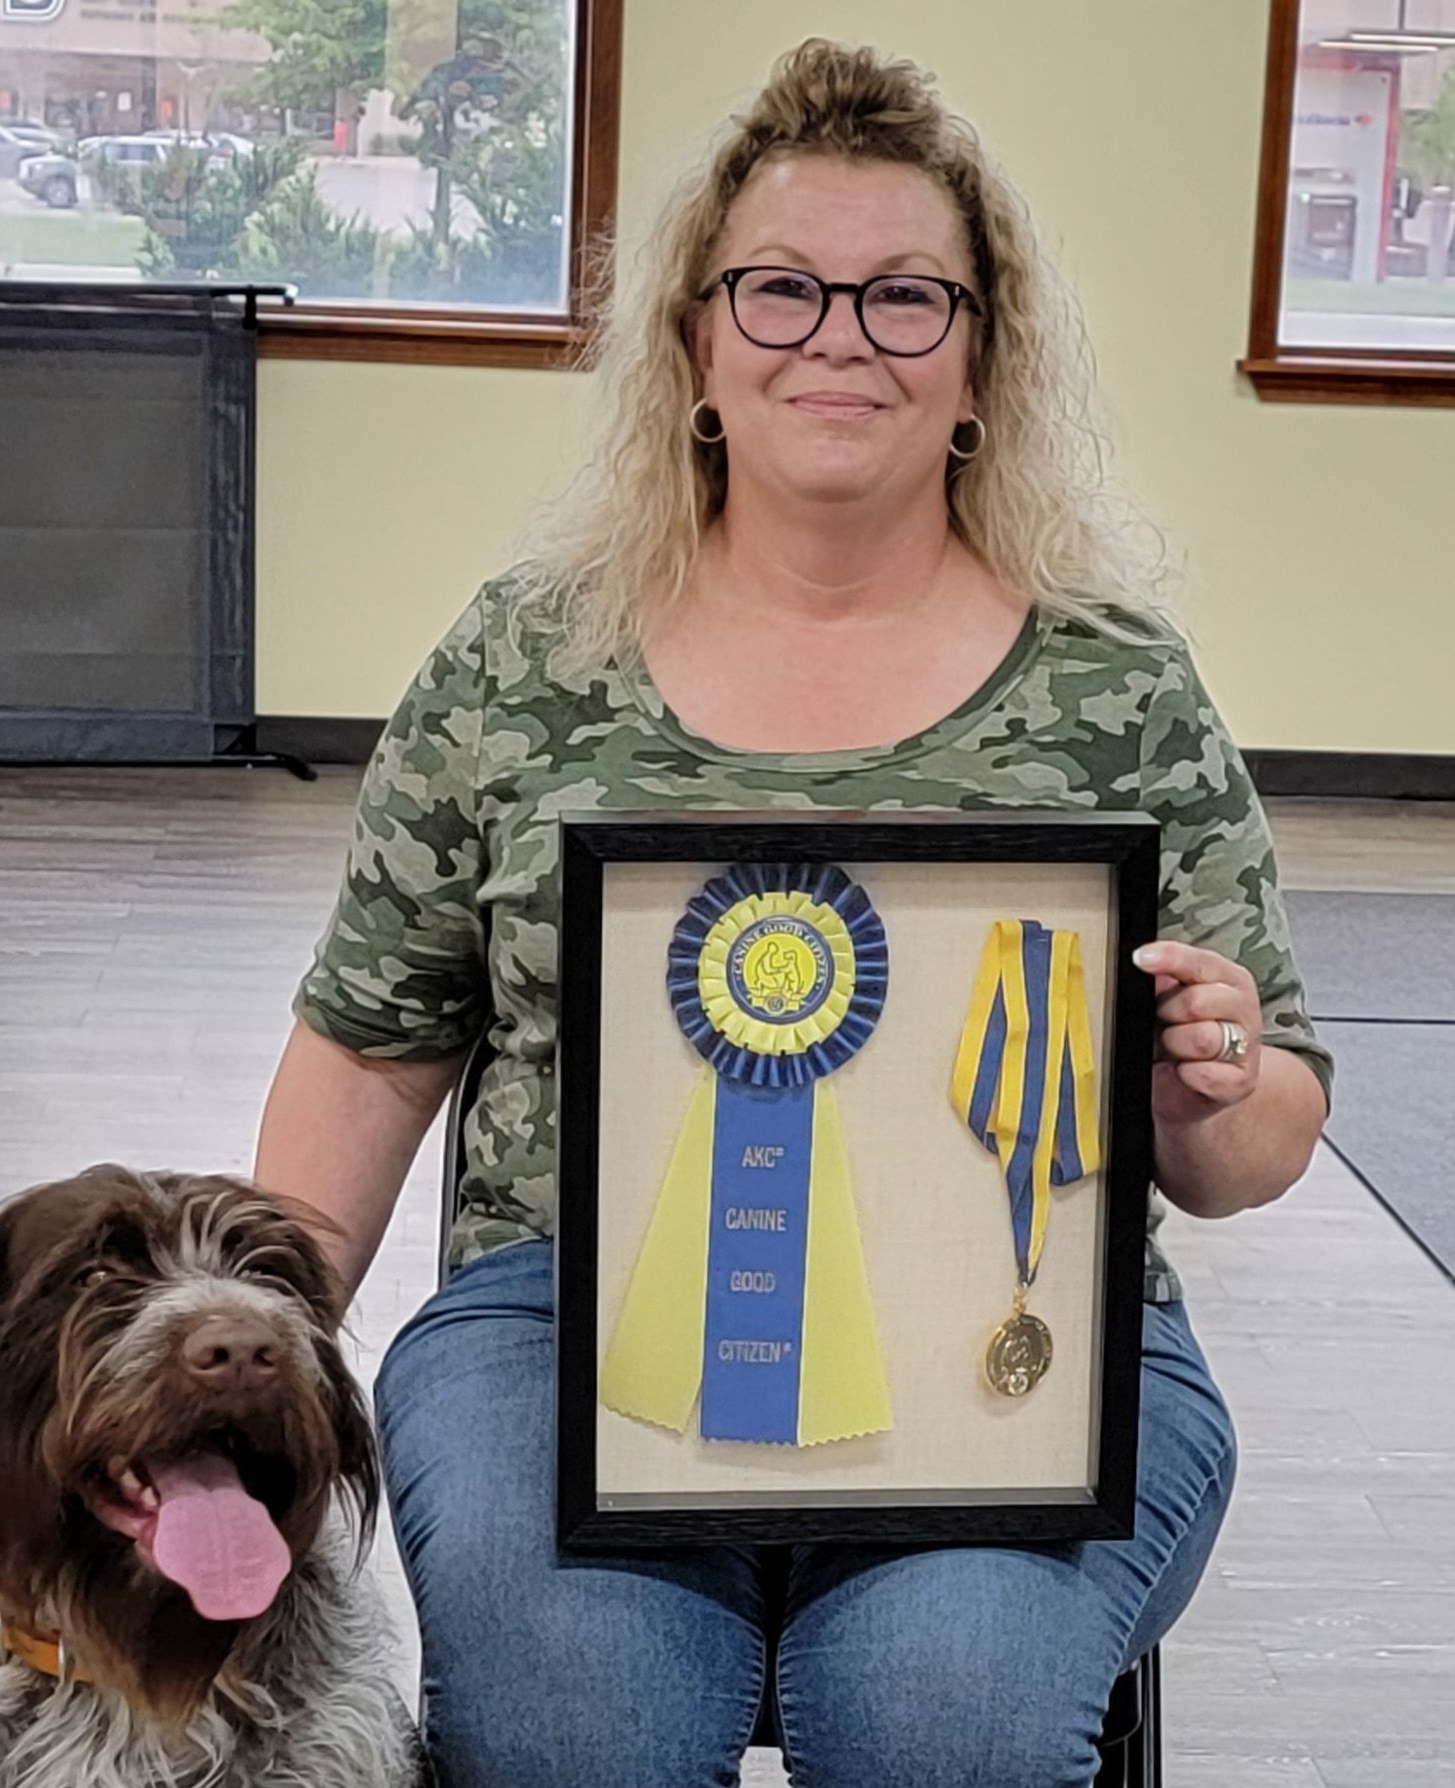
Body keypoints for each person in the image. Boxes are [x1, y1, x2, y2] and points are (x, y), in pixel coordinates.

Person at [255, 39, 1332, 1788]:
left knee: (947, 1720)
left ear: (984, 355)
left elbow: (1253, 1142)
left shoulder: (1119, 681)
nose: (839, 336)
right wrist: (235, 1377)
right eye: (780, 290)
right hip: (560, 1327)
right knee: (571, 1719)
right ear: (694, 340)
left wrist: (1217, 1075)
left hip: (1027, 1343)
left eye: (909, 297)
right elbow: (370, 1049)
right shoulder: (527, 659)